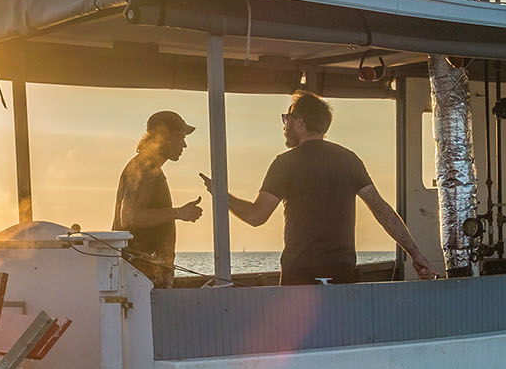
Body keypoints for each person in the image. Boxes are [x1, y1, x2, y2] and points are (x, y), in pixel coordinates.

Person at [222, 90, 437, 285]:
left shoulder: (285, 164)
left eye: (287, 119)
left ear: (299, 122)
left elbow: (256, 216)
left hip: (299, 274)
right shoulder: (349, 160)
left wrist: (221, 195)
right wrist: (415, 253)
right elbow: (382, 210)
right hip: (341, 273)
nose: (284, 125)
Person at [113, 110, 204, 288]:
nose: (184, 144)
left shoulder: (147, 167)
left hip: (142, 278)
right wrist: (179, 213)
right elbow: (130, 217)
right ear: (162, 137)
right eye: (179, 137)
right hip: (141, 279)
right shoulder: (145, 168)